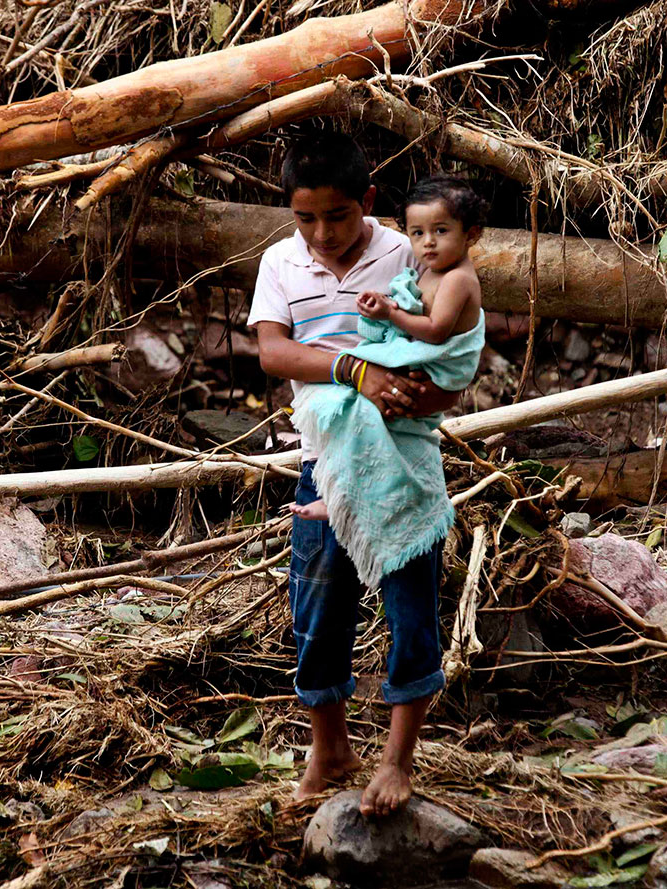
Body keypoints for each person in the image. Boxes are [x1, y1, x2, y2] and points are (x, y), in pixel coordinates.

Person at [248, 132, 463, 817]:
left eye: (337, 216)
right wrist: (353, 370)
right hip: (322, 465)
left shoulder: (406, 251)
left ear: (368, 202)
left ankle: (398, 759)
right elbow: (274, 353)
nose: (321, 233)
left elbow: (450, 335)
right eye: (305, 218)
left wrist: (427, 394)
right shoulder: (281, 262)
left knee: (409, 602)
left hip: (401, 456)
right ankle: (329, 749)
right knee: (318, 607)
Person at [290, 175, 486, 523]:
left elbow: (436, 332)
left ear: (471, 233)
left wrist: (391, 313)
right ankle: (347, 495)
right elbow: (416, 307)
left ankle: (343, 499)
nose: (428, 243)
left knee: (364, 415)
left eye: (441, 231)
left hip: (438, 370)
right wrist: (386, 303)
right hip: (422, 364)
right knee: (365, 416)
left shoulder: (457, 278)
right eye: (417, 233)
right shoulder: (433, 271)